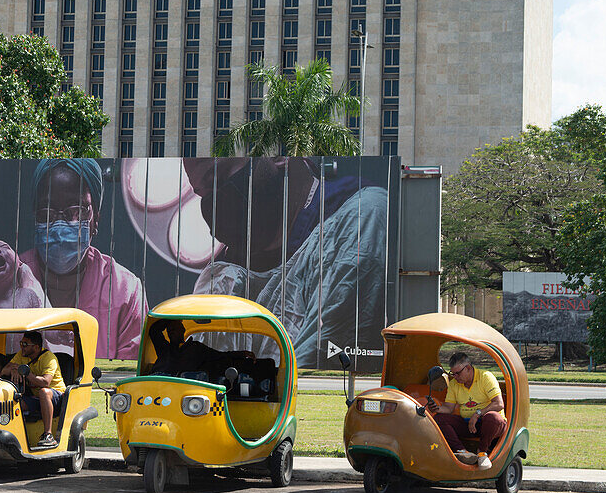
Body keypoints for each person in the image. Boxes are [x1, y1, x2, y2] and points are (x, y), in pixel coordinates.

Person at [183, 157, 388, 367]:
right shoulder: (223, 271)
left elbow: (316, 356)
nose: (216, 201)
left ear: (277, 156)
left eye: (220, 178)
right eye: (205, 192)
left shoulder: (358, 214)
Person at [20, 159, 148, 359]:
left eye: (76, 212)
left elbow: (126, 371)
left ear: (95, 218)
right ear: (35, 216)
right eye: (47, 214)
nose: (61, 226)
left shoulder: (125, 289)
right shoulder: (10, 277)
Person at [427, 351, 505, 469]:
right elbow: (448, 408)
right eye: (453, 374)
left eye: (458, 373)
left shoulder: (485, 377)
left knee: (493, 417)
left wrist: (477, 414)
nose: (455, 377)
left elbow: (499, 404)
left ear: (468, 368)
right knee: (439, 418)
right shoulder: (454, 384)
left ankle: (482, 453)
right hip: (469, 425)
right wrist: (437, 408)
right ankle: (463, 452)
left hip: (491, 426)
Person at [0, 330, 65, 448]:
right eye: (21, 343)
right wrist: (15, 370)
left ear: (35, 347)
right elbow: (4, 370)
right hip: (36, 398)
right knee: (12, 401)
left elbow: (45, 382)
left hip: (56, 396)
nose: (21, 347)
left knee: (44, 392)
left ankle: (48, 435)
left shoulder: (49, 358)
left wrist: (25, 372)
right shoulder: (22, 355)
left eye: (25, 344)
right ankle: (12, 437)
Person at [147, 319, 254, 377]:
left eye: (174, 329)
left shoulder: (196, 348)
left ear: (183, 330)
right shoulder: (164, 348)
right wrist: (171, 319)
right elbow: (154, 331)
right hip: (158, 378)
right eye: (169, 330)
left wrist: (240, 354)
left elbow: (219, 356)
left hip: (180, 383)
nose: (171, 332)